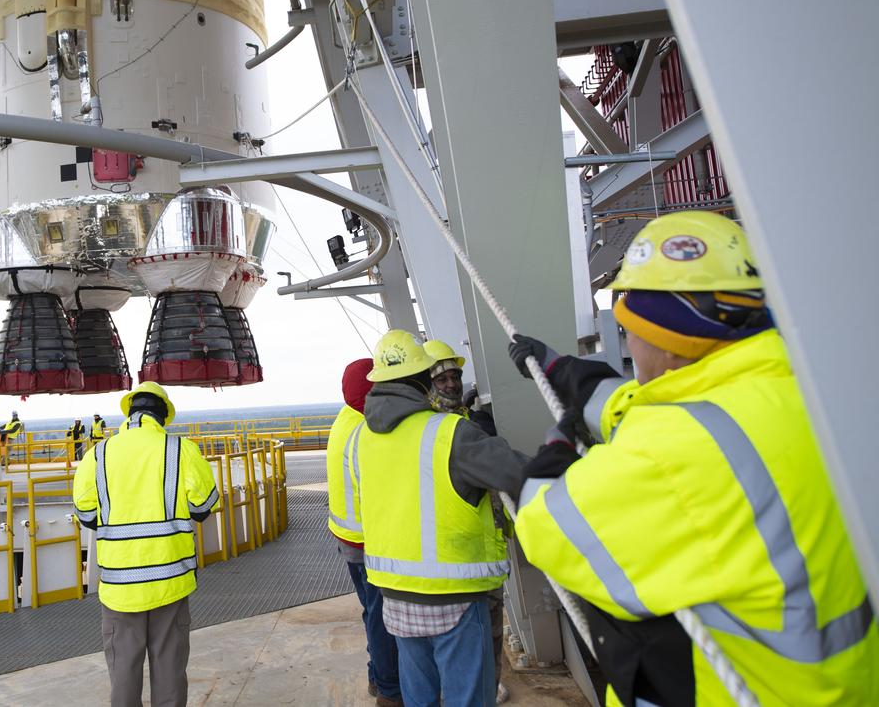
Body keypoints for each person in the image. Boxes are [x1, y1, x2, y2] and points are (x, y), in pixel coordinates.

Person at [508, 211, 879, 705]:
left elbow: (545, 527)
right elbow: (668, 409)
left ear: (666, 341)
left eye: (630, 330)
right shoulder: (816, 386)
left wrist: (552, 455)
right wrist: (567, 372)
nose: (629, 344)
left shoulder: (673, 453)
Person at [356, 330, 524, 707]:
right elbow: (515, 473)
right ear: (422, 380)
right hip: (454, 594)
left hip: (396, 594)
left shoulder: (365, 437)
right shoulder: (449, 432)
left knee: (420, 699)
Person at [72, 382, 219, 707]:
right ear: (163, 416)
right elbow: (204, 506)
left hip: (119, 589)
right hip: (170, 584)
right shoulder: (181, 450)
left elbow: (85, 513)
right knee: (169, 674)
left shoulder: (98, 454)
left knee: (124, 674)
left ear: (130, 414)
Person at [424, 339, 510, 705]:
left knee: (490, 627)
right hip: (457, 550)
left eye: (454, 375)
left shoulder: (469, 422)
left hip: (485, 545)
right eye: (441, 378)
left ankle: (486, 688)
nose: (451, 383)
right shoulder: (434, 428)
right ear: (427, 384)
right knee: (459, 635)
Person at [327, 358, 401, 707]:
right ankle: (389, 690)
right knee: (383, 618)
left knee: (371, 611)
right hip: (368, 540)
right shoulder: (369, 429)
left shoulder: (345, 418)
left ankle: (377, 676)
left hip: (346, 538)